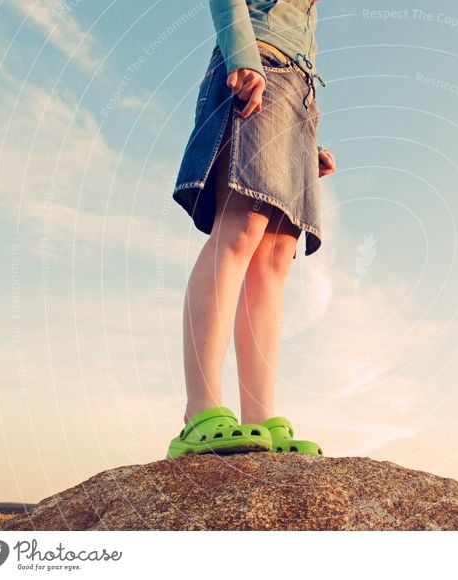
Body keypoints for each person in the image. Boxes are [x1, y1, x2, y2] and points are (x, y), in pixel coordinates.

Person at [166, 0, 336, 459]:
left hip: (298, 92)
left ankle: (259, 419)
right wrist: (242, 56)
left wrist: (310, 140)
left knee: (276, 255)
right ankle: (200, 412)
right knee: (241, 226)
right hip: (259, 62)